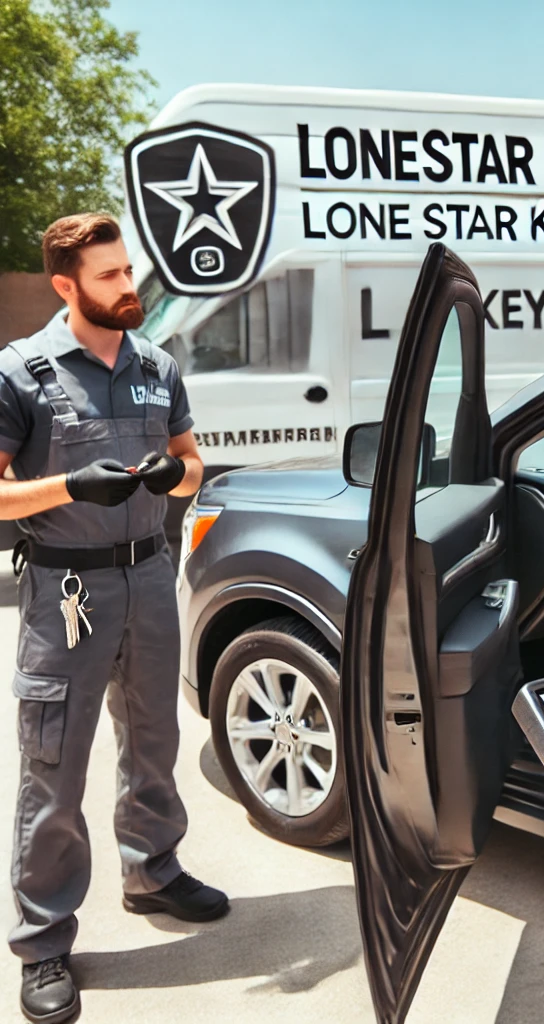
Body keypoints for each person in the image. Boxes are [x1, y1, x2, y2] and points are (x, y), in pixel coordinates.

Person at [0, 213, 228, 1024]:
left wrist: (176, 476)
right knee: (54, 765)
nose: (129, 287)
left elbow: (193, 463)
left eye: (128, 271)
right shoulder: (20, 372)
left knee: (155, 742)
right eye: (109, 277)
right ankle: (43, 938)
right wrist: (67, 488)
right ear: (66, 286)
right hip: (67, 594)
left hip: (150, 580)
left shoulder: (156, 364)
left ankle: (153, 870)